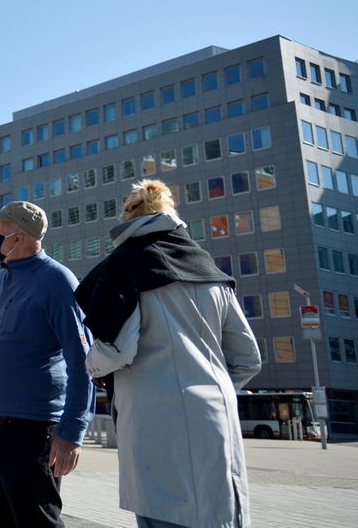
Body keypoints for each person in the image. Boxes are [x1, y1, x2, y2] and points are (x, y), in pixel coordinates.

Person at [75, 180, 262, 528]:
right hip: (217, 421)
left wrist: (90, 366)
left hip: (156, 425)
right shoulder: (209, 269)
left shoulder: (126, 264)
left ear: (127, 215)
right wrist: (209, 387)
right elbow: (249, 358)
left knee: (165, 517)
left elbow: (117, 349)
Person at [0, 200, 94, 528]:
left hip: (30, 434)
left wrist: (72, 433)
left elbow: (82, 359)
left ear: (18, 236)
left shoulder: (58, 282)